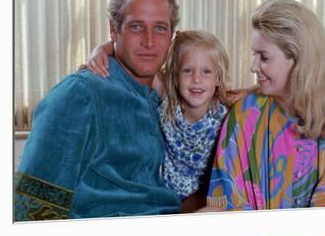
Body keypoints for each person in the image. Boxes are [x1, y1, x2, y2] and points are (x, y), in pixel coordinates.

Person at [14, 0, 182, 220]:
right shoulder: (80, 95)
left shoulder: (168, 96)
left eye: (160, 28)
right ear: (114, 30)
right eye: (136, 27)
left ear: (171, 37)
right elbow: (30, 206)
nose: (149, 41)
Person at [206, 0, 325, 211]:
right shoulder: (245, 115)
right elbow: (225, 201)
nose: (253, 66)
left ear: (298, 60)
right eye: (254, 55)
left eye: (264, 57)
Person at [88, 30, 244, 212]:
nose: (196, 79)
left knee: (216, 213)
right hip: (161, 192)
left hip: (201, 195)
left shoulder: (223, 109)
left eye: (206, 71)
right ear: (176, 75)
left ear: (218, 78)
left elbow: (259, 92)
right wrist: (100, 50)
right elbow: (126, 55)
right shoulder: (169, 98)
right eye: (187, 71)